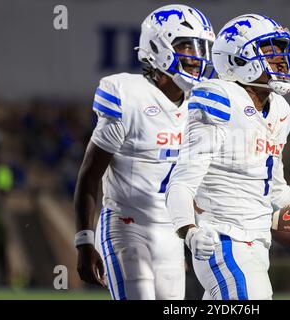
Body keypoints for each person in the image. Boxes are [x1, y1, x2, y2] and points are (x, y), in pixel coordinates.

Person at [166, 14, 290, 300]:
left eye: (282, 49)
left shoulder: (279, 110)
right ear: (237, 58)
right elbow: (181, 181)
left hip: (257, 246)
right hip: (223, 240)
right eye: (270, 49)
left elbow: (275, 189)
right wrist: (188, 230)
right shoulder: (220, 97)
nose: (282, 58)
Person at [73, 4, 215, 300]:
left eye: (203, 48)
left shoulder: (201, 106)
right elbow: (89, 175)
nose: (197, 57)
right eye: (187, 45)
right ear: (158, 46)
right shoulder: (127, 94)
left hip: (171, 234)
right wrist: (85, 241)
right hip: (127, 225)